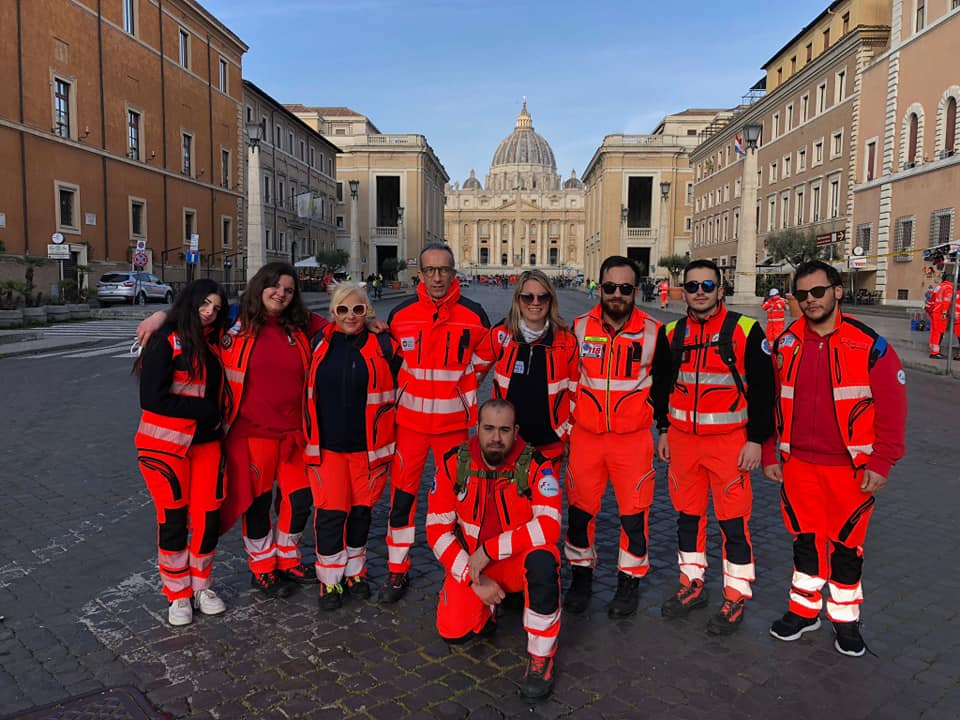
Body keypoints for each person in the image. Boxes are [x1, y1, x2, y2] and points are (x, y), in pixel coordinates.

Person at [763, 260, 906, 657]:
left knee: (846, 547)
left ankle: (846, 620)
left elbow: (893, 412)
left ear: (837, 291)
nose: (810, 301)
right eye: (803, 294)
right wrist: (768, 450)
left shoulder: (870, 344)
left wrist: (882, 463)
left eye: (818, 292)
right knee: (805, 543)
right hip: (797, 465)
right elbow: (773, 401)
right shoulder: (786, 342)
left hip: (850, 470)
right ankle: (803, 611)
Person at [657, 260, 775, 634]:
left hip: (729, 445)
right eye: (692, 286)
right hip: (682, 443)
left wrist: (756, 440)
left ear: (720, 289)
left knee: (733, 524)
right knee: (687, 519)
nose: (700, 292)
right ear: (684, 291)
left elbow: (764, 390)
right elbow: (660, 387)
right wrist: (662, 430)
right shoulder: (671, 332)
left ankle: (735, 596)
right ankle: (691, 585)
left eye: (708, 285)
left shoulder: (746, 330)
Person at [426, 399, 562, 700]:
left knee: (543, 560)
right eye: (488, 429)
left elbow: (550, 525)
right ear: (477, 428)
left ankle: (541, 657)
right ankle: (488, 609)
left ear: (515, 432)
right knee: (454, 632)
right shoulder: (454, 463)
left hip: (516, 563)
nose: (496, 438)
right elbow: (436, 530)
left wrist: (489, 550)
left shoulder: (537, 465)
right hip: (474, 567)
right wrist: (472, 578)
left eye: (503, 430)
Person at [381, 242, 490, 603]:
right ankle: (397, 570)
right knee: (402, 500)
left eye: (444, 270)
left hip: (455, 430)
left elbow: (486, 362)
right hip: (409, 427)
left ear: (453, 272)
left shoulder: (475, 316)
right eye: (430, 270)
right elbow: (388, 360)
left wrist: (462, 394)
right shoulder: (399, 315)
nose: (438, 277)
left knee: (459, 502)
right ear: (421, 274)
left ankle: (461, 570)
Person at [564, 256, 672, 618]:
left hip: (633, 439)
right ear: (599, 287)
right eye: (609, 287)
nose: (617, 295)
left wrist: (662, 428)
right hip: (587, 437)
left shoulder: (655, 332)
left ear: (635, 291)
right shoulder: (578, 328)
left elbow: (667, 386)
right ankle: (581, 577)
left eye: (625, 288)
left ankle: (629, 581)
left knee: (634, 517)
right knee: (580, 513)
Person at [133, 279, 230, 626]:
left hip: (206, 446)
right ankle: (177, 593)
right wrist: (205, 411)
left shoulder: (215, 340)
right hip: (165, 448)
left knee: (208, 518)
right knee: (172, 520)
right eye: (204, 304)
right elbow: (152, 398)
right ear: (190, 302)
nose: (209, 312)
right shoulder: (166, 341)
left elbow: (258, 313)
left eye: (216, 308)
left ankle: (202, 585)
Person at [304, 283, 401, 610]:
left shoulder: (386, 344)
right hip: (327, 446)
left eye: (357, 309)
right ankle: (329, 581)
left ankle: (355, 572)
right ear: (332, 313)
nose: (350, 316)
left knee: (361, 513)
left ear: (368, 312)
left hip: (369, 447)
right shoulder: (317, 341)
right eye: (343, 310)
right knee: (331, 514)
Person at [473, 269, 579, 464]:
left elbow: (575, 393)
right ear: (518, 300)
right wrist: (481, 425)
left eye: (542, 297)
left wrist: (569, 435)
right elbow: (471, 375)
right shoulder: (501, 334)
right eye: (527, 297)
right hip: (507, 443)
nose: (535, 303)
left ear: (551, 300)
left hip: (550, 444)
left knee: (545, 495)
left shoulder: (567, 340)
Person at [926, 273, 954, 359]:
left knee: (934, 331)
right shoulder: (948, 287)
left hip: (934, 311)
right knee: (938, 332)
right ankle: (934, 352)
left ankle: (932, 348)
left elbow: (932, 298)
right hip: (940, 312)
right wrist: (945, 313)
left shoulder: (939, 286)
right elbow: (946, 301)